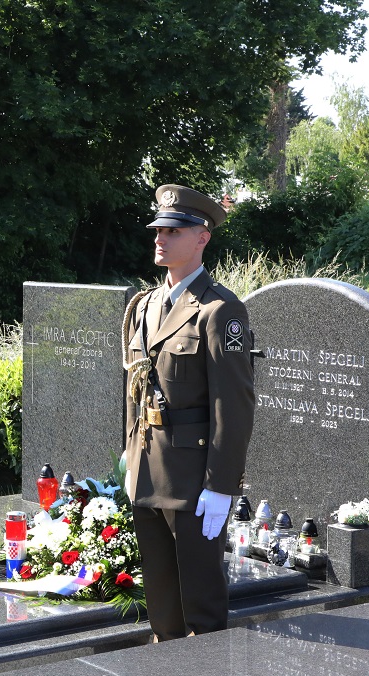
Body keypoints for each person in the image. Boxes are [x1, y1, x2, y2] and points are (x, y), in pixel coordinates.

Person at [121, 185, 255, 641]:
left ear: (202, 238)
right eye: (158, 230)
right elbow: (137, 388)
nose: (160, 238)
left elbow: (233, 405)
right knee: (161, 603)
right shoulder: (145, 305)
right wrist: (129, 457)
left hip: (194, 480)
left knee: (201, 604)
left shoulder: (220, 310)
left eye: (173, 231)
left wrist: (221, 485)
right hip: (147, 470)